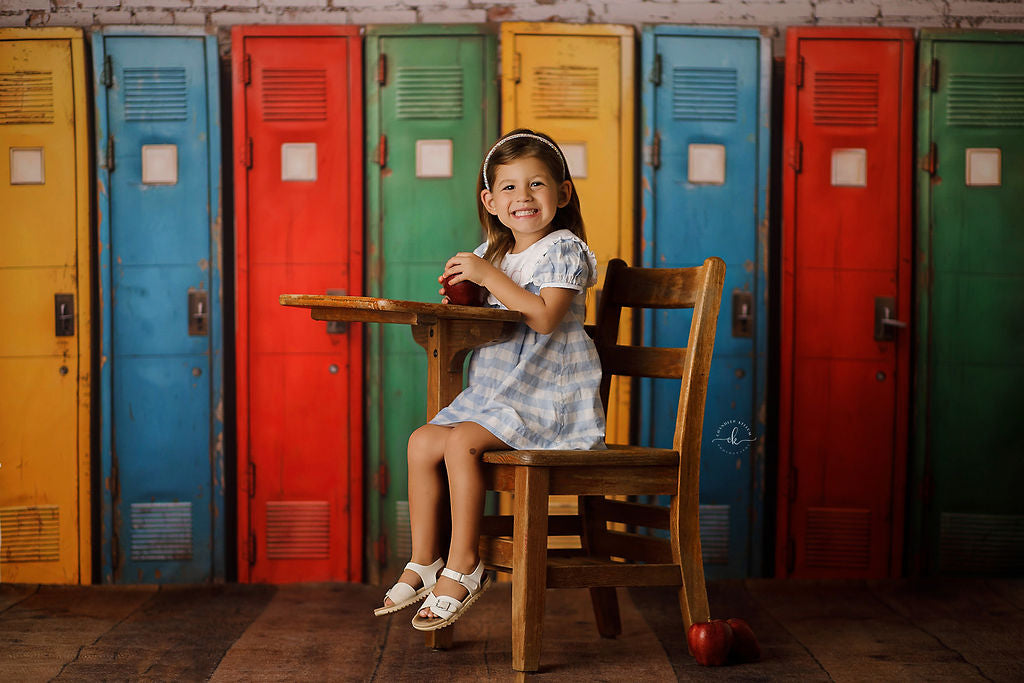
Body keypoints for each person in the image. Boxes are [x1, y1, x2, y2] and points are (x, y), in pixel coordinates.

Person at [373, 129, 607, 631]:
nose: (523, 197)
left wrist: (486, 277)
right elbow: (493, 313)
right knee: (422, 442)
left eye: (537, 184)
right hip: (499, 394)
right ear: (490, 200)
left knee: (460, 445)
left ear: (562, 194)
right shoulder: (495, 253)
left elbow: (544, 317)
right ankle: (425, 560)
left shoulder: (564, 249)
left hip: (548, 398)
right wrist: (464, 297)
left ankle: (465, 564)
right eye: (508, 188)